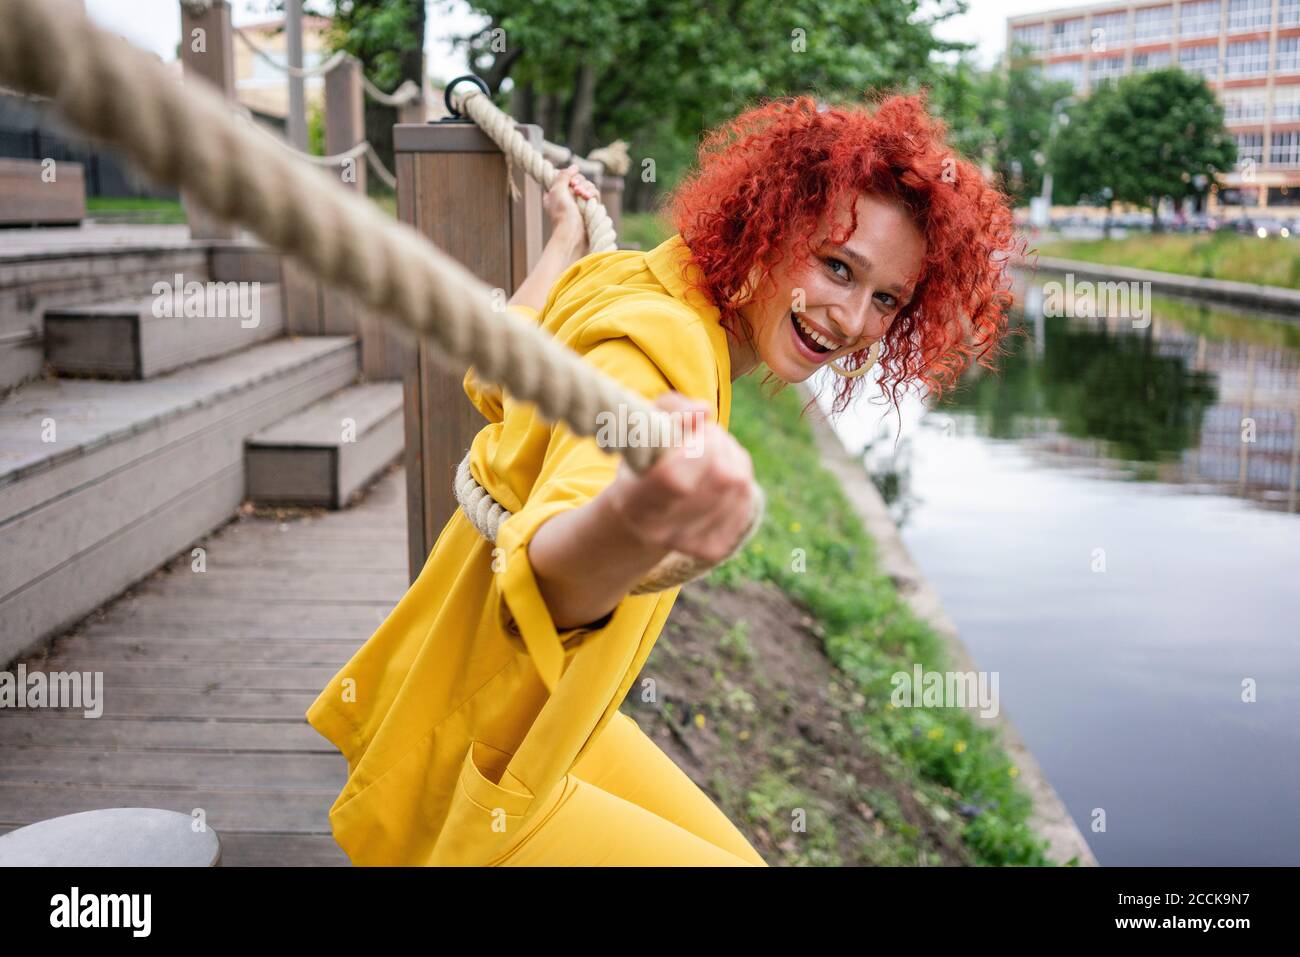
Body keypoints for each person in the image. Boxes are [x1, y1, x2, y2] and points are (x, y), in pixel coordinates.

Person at [305, 91, 1020, 866]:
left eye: (886, 298)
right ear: (770, 222)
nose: (849, 319)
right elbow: (544, 578)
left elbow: (496, 370)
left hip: (517, 705)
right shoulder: (661, 348)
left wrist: (563, 243)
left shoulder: (631, 277)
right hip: (475, 760)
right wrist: (640, 516)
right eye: (836, 266)